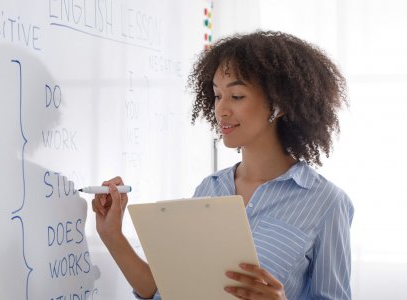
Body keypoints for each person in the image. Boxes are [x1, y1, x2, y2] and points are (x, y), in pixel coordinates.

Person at [92, 30, 354, 300]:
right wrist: (112, 235)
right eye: (218, 96)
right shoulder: (210, 188)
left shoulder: (327, 203)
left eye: (237, 96)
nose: (221, 109)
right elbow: (168, 291)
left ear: (279, 105)